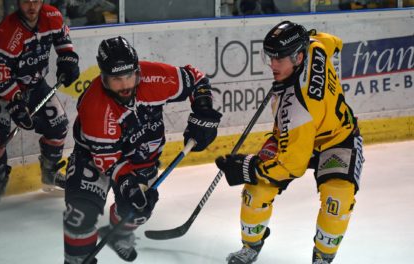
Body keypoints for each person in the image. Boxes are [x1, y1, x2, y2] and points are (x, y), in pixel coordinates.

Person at [215, 21, 365, 264]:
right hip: (290, 135)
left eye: (279, 59)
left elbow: (292, 165)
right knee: (256, 192)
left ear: (298, 56)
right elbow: (333, 41)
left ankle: (322, 259)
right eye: (270, 58)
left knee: (337, 199)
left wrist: (248, 167)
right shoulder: (315, 46)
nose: (273, 65)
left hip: (337, 140)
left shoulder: (297, 108)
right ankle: (251, 245)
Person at [63, 36, 222, 264]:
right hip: (93, 156)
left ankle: (118, 234)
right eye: (116, 79)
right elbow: (108, 161)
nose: (126, 85)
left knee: (139, 210)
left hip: (142, 156)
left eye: (130, 76)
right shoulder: (95, 106)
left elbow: (196, 79)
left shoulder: (153, 77)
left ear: (137, 70)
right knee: (80, 214)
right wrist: (127, 184)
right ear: (104, 78)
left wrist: (203, 110)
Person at [0, 0, 80, 206]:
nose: (31, 6)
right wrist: (15, 104)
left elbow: (63, 42)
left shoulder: (52, 17)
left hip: (34, 84)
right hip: (0, 89)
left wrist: (68, 60)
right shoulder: (6, 32)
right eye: (26, 1)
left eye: (36, 0)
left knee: (58, 126)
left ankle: (49, 173)